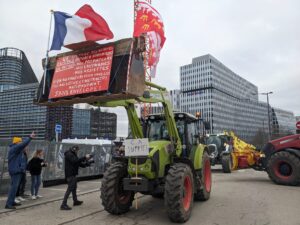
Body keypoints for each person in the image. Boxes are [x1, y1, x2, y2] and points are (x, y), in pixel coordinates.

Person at [5, 131, 35, 210]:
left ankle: (11, 201)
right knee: (13, 187)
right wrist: (30, 137)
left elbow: (23, 160)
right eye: (20, 142)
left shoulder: (17, 150)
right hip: (15, 171)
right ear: (17, 143)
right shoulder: (14, 148)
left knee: (15, 187)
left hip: (18, 170)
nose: (21, 144)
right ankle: (8, 204)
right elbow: (23, 145)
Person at [60, 145, 91, 210]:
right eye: (77, 150)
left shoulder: (72, 154)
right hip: (70, 174)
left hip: (73, 174)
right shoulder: (69, 154)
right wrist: (84, 157)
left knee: (74, 188)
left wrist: (86, 164)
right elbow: (75, 161)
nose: (77, 151)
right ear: (74, 149)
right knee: (70, 189)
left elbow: (77, 163)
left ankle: (75, 201)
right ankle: (63, 204)